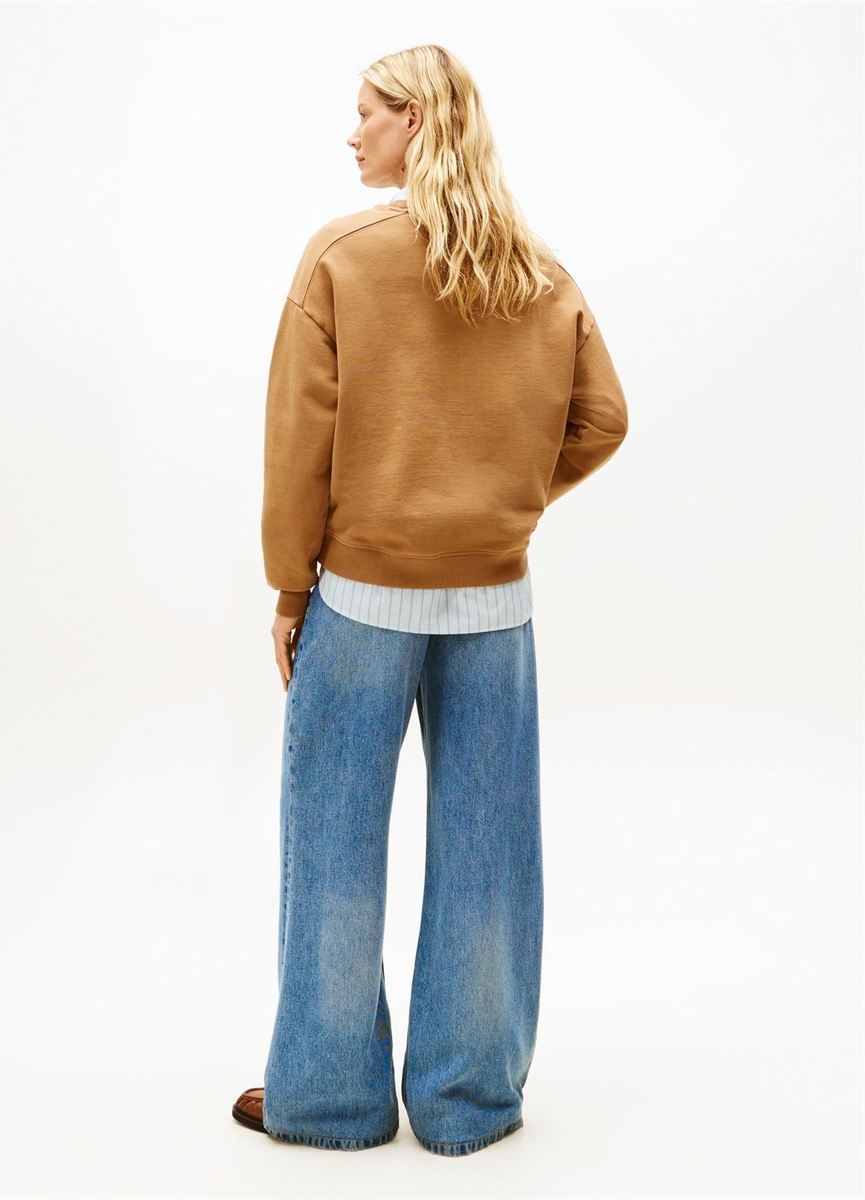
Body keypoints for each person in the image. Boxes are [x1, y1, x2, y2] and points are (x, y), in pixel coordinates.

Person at [232, 43, 629, 1157]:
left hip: (361, 600)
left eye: (365, 112)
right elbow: (603, 419)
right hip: (494, 605)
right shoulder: (538, 272)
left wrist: (289, 586)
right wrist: (505, 498)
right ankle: (468, 1101)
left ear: (413, 120)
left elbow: (296, 446)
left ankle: (328, 1101)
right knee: (489, 855)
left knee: (334, 846)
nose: (351, 131)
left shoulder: (341, 259)